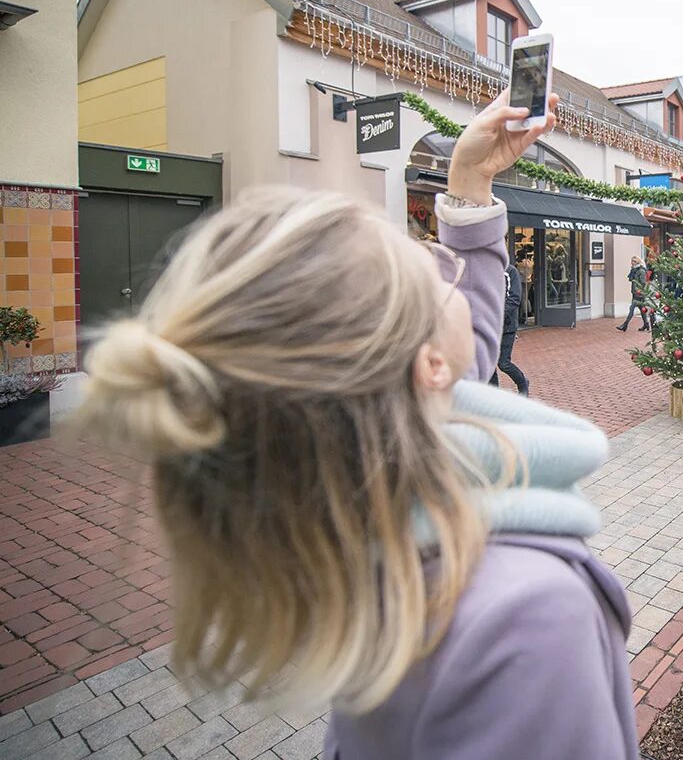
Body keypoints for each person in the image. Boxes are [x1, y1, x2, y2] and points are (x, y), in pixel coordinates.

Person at [73, 91, 641, 760]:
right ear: (429, 364)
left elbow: (469, 341)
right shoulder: (526, 619)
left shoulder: (358, 490)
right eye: (427, 267)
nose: (446, 267)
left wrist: (468, 184)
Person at [490, 259, 530, 396]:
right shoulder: (486, 271)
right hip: (490, 326)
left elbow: (514, 298)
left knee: (503, 363)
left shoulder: (510, 271)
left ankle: (523, 383)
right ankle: (494, 394)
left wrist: (497, 314)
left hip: (507, 326)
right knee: (489, 363)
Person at [616, 255, 651, 332]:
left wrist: (638, 290)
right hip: (635, 293)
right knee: (642, 310)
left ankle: (625, 325)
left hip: (639, 294)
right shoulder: (634, 270)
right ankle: (646, 324)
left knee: (632, 308)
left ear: (637, 262)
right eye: (631, 261)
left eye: (633, 261)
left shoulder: (641, 271)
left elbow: (643, 283)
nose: (631, 263)